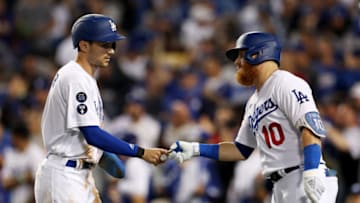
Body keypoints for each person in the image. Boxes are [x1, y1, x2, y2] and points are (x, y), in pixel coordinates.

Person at [168, 31, 338, 203]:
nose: (236, 62)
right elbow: (240, 150)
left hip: (303, 175)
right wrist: (196, 149)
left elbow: (310, 128)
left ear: (257, 54)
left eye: (240, 56)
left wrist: (311, 170)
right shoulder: (253, 102)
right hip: (280, 185)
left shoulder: (286, 83)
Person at [34, 14, 168, 203]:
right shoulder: (76, 77)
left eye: (112, 45)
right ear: (84, 45)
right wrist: (142, 152)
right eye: (104, 44)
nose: (111, 51)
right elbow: (92, 134)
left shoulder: (84, 78)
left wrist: (101, 154)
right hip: (64, 175)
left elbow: (82, 134)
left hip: (77, 174)